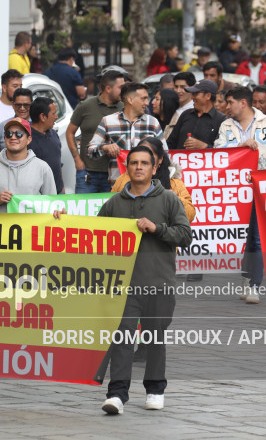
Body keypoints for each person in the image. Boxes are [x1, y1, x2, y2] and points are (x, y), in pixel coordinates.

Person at [97, 147, 193, 415]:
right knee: (123, 338)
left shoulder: (169, 200)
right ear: (126, 168)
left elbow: (185, 236)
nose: (138, 167)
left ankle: (155, 389)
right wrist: (61, 221)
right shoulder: (114, 203)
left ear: (154, 168)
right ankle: (117, 394)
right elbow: (93, 235)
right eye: (133, 163)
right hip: (123, 287)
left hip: (158, 284)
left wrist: (156, 228)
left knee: (154, 339)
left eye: (144, 163)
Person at [215, 86, 266, 303]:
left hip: (260, 191)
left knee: (257, 238)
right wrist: (240, 145)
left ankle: (255, 284)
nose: (226, 107)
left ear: (242, 103)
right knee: (240, 238)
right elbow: (217, 151)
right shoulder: (225, 125)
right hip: (233, 192)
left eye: (229, 102)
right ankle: (246, 279)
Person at [0, 118, 55, 212]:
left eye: (19, 134)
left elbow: (51, 204)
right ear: (4, 139)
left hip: (29, 226)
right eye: (9, 134)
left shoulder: (43, 168)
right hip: (0, 226)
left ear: (29, 140)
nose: (13, 137)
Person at [87, 82, 163, 184]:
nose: (147, 103)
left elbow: (164, 153)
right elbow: (90, 151)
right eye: (143, 98)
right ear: (130, 100)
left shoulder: (153, 123)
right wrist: (105, 148)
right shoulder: (107, 121)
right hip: (118, 187)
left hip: (148, 187)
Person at [111, 137, 196, 222]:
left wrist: (174, 199)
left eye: (149, 154)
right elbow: (110, 211)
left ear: (160, 160)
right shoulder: (123, 180)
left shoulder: (174, 183)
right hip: (130, 233)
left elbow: (189, 216)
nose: (143, 158)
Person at [67, 69, 125, 194]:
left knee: (110, 213)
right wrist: (77, 159)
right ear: (108, 88)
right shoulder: (85, 106)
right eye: (121, 87)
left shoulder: (124, 108)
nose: (124, 91)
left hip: (115, 173)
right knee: (83, 210)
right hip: (87, 172)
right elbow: (70, 132)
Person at [166, 79, 225, 150]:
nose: (192, 97)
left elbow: (224, 152)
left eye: (195, 94)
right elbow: (170, 143)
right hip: (178, 161)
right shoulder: (186, 114)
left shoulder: (221, 120)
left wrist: (204, 147)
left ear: (208, 96)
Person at [28, 97, 64, 193]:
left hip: (58, 192)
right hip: (38, 197)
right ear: (43, 117)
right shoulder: (26, 139)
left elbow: (58, 163)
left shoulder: (54, 133)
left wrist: (62, 187)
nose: (56, 116)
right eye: (53, 113)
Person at [0, 88, 34, 158]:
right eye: (18, 105)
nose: (22, 108)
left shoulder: (38, 126)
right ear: (13, 105)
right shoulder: (2, 127)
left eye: (26, 105)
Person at [164, 72, 196, 136]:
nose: (178, 91)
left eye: (182, 87)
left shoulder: (194, 109)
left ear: (191, 88)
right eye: (176, 87)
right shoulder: (171, 106)